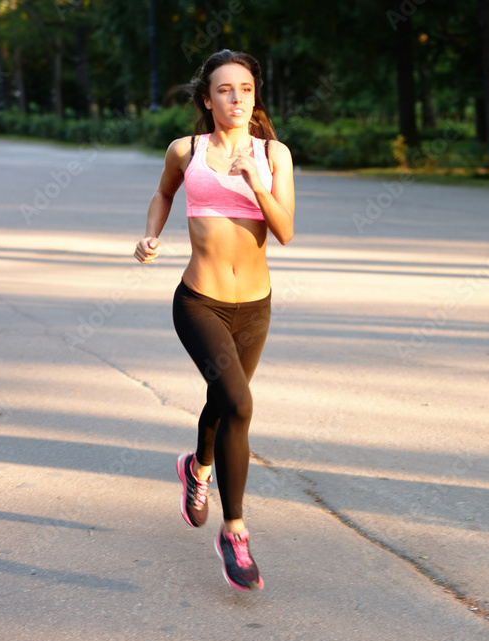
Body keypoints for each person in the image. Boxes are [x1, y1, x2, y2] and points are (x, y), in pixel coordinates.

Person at [134, 49, 295, 591]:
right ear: (207, 99)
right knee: (239, 403)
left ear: (255, 96)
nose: (236, 99)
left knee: (223, 401)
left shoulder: (274, 155)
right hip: (199, 299)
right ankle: (235, 531)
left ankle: (197, 466)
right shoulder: (187, 150)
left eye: (245, 89)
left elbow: (286, 231)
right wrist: (152, 233)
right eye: (225, 90)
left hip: (254, 304)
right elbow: (162, 193)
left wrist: (257, 181)